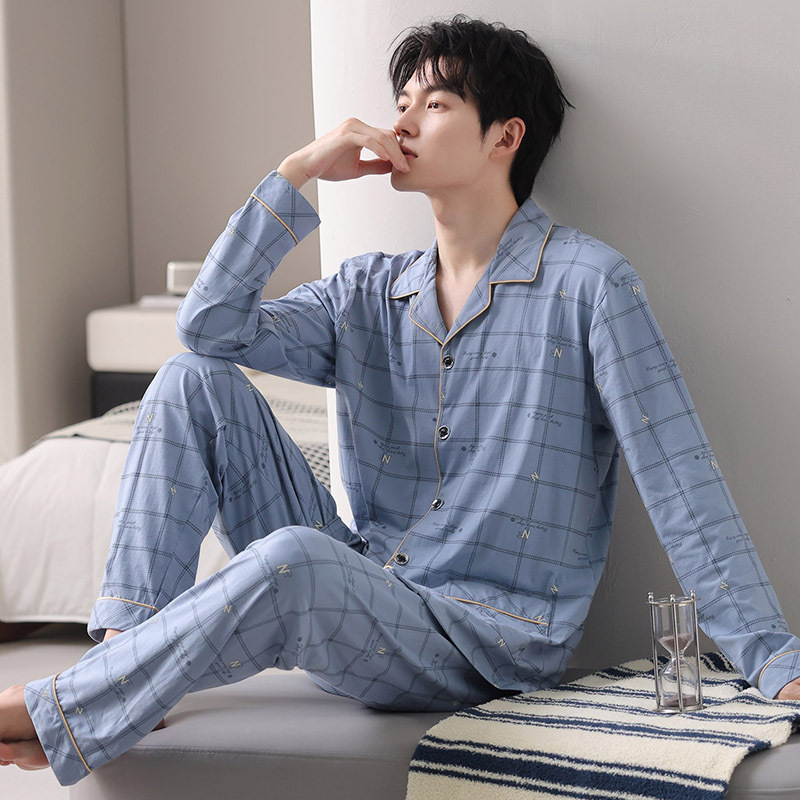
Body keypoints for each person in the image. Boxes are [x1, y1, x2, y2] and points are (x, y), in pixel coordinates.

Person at [1, 13, 799, 786]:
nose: (404, 121)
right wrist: (299, 171)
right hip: (366, 589)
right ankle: (122, 668)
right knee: (189, 378)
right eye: (402, 101)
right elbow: (209, 328)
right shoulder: (368, 292)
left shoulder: (590, 286)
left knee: (293, 560)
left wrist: (771, 656)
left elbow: (678, 474)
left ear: (506, 137)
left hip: (488, 643)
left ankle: (77, 705)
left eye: (436, 103)